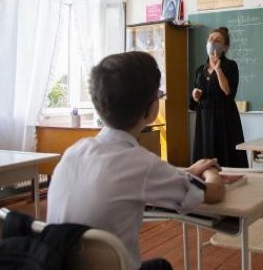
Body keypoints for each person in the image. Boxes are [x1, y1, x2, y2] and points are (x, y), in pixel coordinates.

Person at [47, 51, 225, 270]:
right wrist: (210, 169)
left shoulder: (74, 152)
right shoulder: (140, 163)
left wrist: (188, 170)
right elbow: (214, 193)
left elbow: (139, 177)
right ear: (151, 109)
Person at [191, 27, 248, 168]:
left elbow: (228, 91)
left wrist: (218, 68)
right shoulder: (200, 70)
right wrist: (195, 95)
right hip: (204, 121)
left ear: (225, 47)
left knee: (226, 159)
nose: (213, 42)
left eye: (218, 40)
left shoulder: (230, 66)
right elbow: (193, 101)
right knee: (205, 160)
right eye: (210, 40)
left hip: (224, 120)